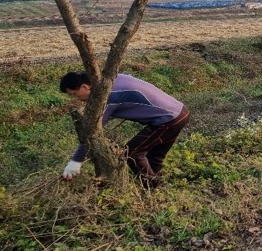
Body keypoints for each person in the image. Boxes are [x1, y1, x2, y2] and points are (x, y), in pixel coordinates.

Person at [59, 71, 190, 187]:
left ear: (85, 86)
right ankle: (153, 186)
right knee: (154, 154)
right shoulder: (113, 77)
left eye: (75, 94)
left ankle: (153, 187)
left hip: (168, 119)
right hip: (180, 112)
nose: (77, 98)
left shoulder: (106, 96)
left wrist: (75, 161)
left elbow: (91, 132)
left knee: (132, 152)